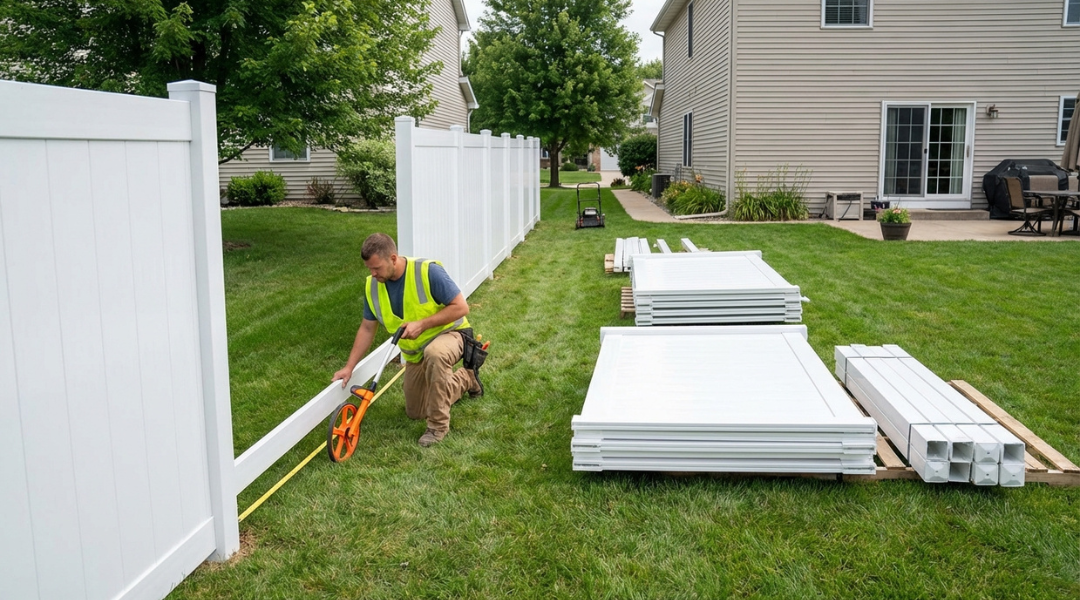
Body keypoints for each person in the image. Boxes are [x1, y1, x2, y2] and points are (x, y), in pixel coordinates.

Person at [332, 233, 485, 447]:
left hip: (451, 334)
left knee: (436, 354)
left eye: (377, 268)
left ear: (393, 258)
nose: (373, 273)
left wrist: (422, 324)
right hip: (416, 354)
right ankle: (467, 379)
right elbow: (367, 328)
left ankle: (437, 427)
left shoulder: (428, 271)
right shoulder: (373, 286)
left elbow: (461, 307)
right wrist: (349, 367)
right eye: (369, 269)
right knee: (416, 411)